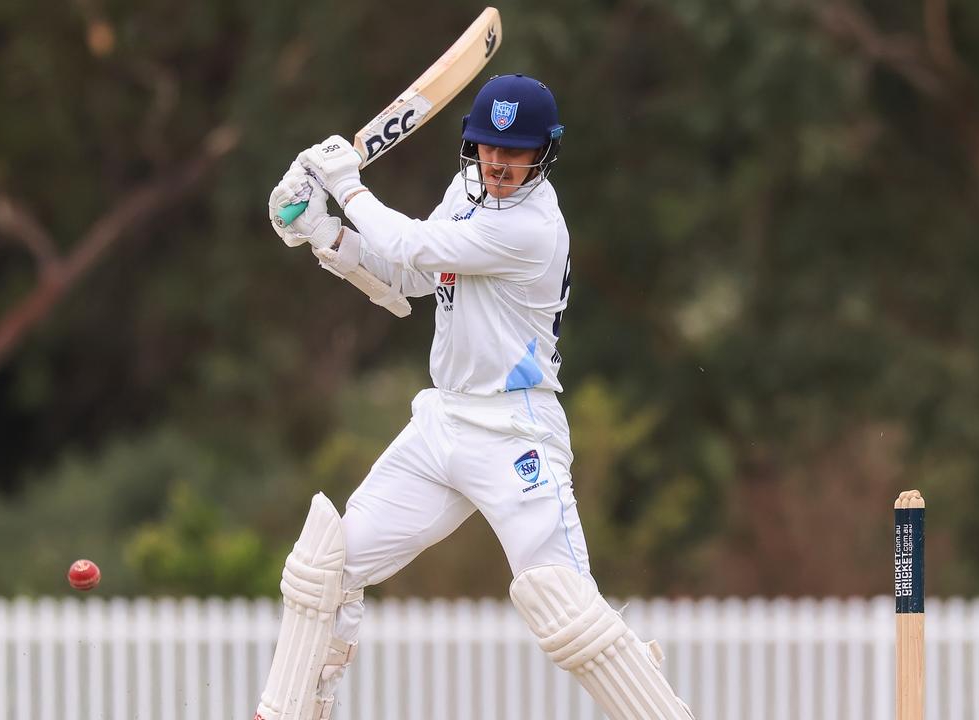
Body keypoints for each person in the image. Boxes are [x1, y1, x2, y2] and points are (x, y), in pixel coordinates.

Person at [254, 73, 694, 720]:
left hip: (517, 433)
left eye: (515, 152)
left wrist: (345, 184)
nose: (498, 163)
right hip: (443, 422)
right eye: (488, 147)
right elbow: (407, 276)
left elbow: (410, 243)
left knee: (565, 608)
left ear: (546, 152)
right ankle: (292, 711)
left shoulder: (535, 228)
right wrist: (323, 230)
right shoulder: (466, 190)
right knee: (328, 566)